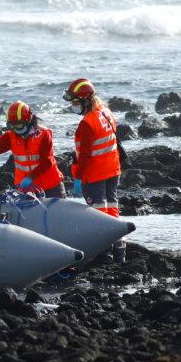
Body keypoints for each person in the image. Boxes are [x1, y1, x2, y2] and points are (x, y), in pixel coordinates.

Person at [65, 77, 125, 261]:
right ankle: (119, 248)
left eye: (75, 101)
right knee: (112, 209)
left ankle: (104, 253)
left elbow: (85, 156)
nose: (73, 105)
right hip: (112, 170)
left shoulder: (87, 123)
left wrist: (78, 178)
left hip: (95, 175)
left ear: (85, 101)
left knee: (98, 212)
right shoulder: (105, 112)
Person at [0, 101, 66, 198]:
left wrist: (30, 177)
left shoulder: (44, 134)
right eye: (12, 125)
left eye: (18, 124)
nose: (15, 128)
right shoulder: (10, 136)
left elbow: (47, 161)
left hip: (51, 187)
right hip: (25, 189)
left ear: (28, 120)